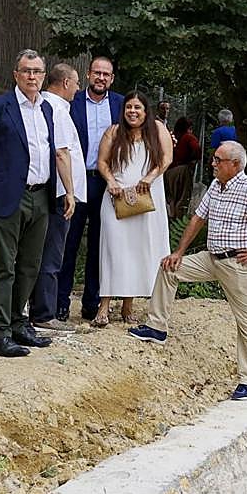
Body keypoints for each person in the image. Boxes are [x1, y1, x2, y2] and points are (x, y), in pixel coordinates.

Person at [128, 141, 247, 401]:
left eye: (218, 160)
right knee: (169, 269)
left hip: (238, 264)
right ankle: (157, 327)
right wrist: (178, 253)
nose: (212, 164)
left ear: (235, 165)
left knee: (246, 322)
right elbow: (198, 218)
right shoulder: (216, 185)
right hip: (211, 258)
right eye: (214, 159)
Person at [0, 51, 76, 358]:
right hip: (9, 197)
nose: (32, 76)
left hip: (41, 195)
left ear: (44, 77)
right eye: (26, 71)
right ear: (16, 74)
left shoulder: (46, 109)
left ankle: (20, 323)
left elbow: (56, 152)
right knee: (4, 266)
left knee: (30, 265)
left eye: (37, 72)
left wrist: (67, 191)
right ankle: (0, 333)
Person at [94, 92, 174, 326]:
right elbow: (102, 161)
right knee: (113, 249)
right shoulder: (114, 132)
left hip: (147, 197)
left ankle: (128, 305)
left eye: (137, 107)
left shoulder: (157, 129)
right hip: (116, 198)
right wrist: (111, 181)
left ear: (146, 110)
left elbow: (166, 158)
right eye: (129, 107)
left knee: (137, 250)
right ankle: (104, 305)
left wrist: (149, 177)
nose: (132, 111)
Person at [59, 55, 125, 321]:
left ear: (112, 78)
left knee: (101, 244)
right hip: (76, 179)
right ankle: (60, 303)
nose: (101, 78)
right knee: (69, 242)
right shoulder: (71, 101)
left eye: (106, 74)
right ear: (88, 75)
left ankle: (92, 303)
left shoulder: (121, 104)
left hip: (107, 182)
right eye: (97, 73)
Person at [30, 63, 88, 332]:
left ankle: (40, 309)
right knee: (52, 255)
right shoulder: (57, 110)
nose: (78, 88)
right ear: (65, 83)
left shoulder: (48, 106)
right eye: (76, 83)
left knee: (45, 253)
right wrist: (70, 192)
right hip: (59, 195)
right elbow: (61, 153)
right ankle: (44, 312)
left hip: (52, 192)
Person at [164, 116, 201, 218]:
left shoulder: (171, 137)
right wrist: (192, 161)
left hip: (168, 171)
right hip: (182, 170)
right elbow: (196, 148)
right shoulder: (188, 137)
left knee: (172, 198)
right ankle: (179, 222)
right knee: (182, 198)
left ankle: (171, 220)